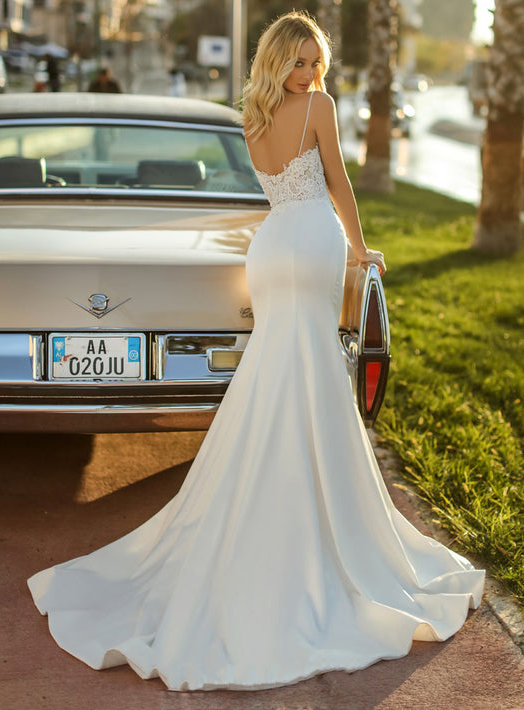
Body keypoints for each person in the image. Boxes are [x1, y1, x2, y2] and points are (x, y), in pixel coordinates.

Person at [28, 11, 484, 692]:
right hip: (310, 243)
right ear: (280, 60)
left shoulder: (252, 110)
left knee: (278, 369)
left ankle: (271, 498)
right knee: (309, 370)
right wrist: (361, 250)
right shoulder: (317, 108)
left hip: (271, 248)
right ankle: (312, 512)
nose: (309, 74)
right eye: (299, 62)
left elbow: (278, 184)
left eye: (314, 63)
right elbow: (337, 183)